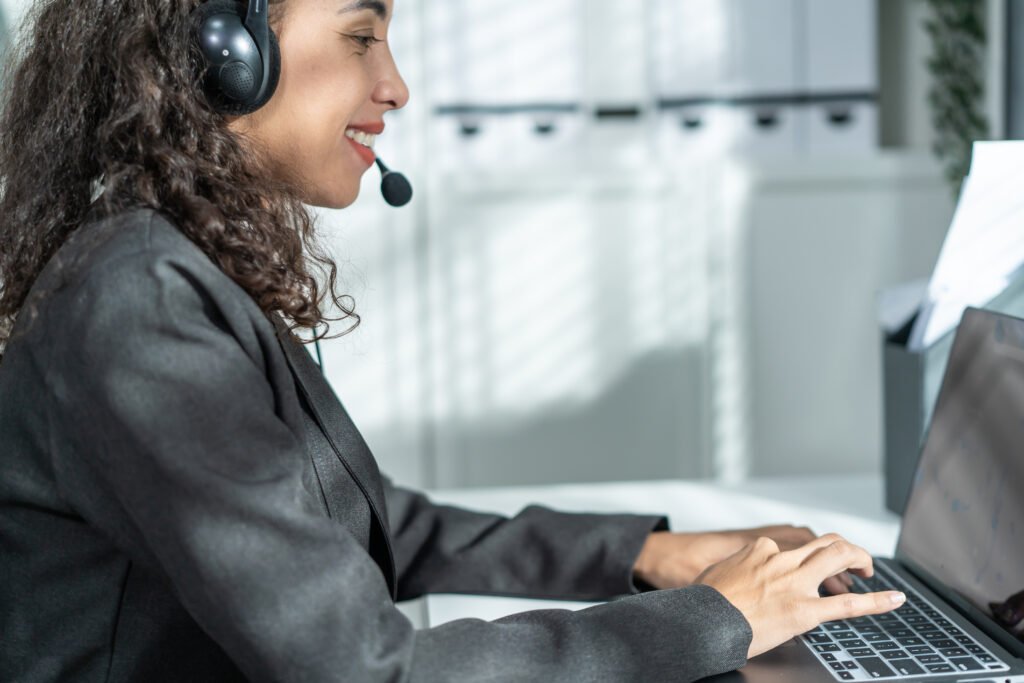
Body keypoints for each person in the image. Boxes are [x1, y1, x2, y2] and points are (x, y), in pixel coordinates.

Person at [0, 1, 906, 681]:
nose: (396, 86)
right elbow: (364, 668)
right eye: (362, 37)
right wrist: (713, 618)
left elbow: (369, 527)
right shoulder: (139, 302)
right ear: (222, 52)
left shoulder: (176, 259)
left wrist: (643, 553)